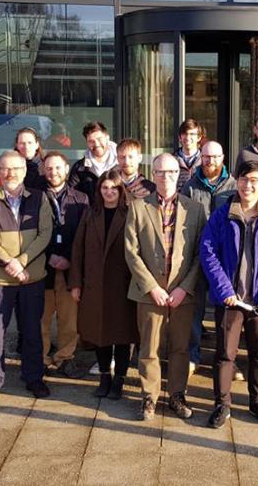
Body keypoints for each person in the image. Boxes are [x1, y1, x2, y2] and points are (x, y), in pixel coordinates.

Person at [199, 161, 258, 429]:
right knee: (225, 354)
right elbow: (207, 250)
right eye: (243, 179)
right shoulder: (223, 214)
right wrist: (223, 289)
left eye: (254, 180)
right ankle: (222, 403)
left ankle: (257, 400)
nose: (247, 185)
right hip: (230, 300)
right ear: (236, 181)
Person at [124, 153, 207, 421]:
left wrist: (185, 287)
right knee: (149, 348)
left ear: (178, 176)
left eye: (171, 172)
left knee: (181, 347)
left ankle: (176, 395)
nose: (165, 177)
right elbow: (130, 252)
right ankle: (149, 396)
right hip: (150, 293)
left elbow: (199, 254)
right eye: (160, 172)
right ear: (153, 174)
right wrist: (151, 287)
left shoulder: (194, 209)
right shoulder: (138, 207)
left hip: (183, 292)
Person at [0, 150, 53, 404]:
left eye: (16, 169)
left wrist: (20, 262)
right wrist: (9, 263)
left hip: (31, 276)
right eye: (6, 169)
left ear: (24, 171)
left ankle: (33, 377)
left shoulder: (39, 198)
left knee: (32, 330)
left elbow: (45, 234)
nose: (11, 173)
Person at [69, 171, 138, 400]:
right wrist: (76, 283)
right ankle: (104, 378)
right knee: (99, 334)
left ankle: (119, 380)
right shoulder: (91, 213)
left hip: (122, 285)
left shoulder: (131, 213)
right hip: (95, 285)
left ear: (121, 190)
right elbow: (77, 250)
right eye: (105, 187)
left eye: (114, 188)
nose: (109, 192)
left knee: (122, 335)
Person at [181, 140, 238, 375]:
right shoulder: (190, 187)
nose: (210, 161)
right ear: (200, 158)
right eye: (206, 157)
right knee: (194, 311)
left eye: (214, 157)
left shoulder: (234, 187)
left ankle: (226, 360)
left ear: (223, 158)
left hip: (225, 260)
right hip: (196, 255)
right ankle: (193, 355)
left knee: (225, 314)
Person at [40, 151, 89, 378]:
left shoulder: (81, 199)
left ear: (66, 169)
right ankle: (41, 358)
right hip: (42, 268)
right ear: (43, 170)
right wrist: (49, 256)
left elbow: (84, 236)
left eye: (58, 168)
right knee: (41, 317)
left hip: (70, 269)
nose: (53, 172)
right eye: (49, 168)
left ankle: (65, 357)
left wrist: (68, 258)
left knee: (69, 319)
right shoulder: (34, 197)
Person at [68, 121, 118, 204]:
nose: (96, 144)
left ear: (107, 138)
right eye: (91, 141)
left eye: (99, 139)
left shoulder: (121, 162)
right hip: (91, 215)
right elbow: (72, 197)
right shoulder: (80, 168)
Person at [175, 118, 203, 192]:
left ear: (199, 138)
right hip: (178, 202)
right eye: (185, 133)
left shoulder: (205, 160)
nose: (187, 137)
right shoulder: (171, 161)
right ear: (179, 137)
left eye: (192, 134)